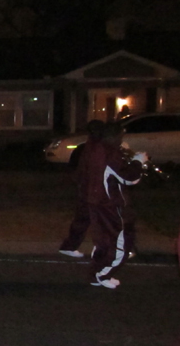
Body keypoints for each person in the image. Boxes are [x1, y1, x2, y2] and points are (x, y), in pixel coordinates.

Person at [84, 121, 146, 288]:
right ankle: (102, 274)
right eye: (120, 136)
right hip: (110, 204)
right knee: (120, 242)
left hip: (96, 201)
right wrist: (138, 162)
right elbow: (130, 178)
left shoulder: (95, 148)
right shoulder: (110, 153)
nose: (121, 139)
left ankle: (96, 274)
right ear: (113, 136)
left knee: (102, 241)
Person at [58, 119, 105, 258]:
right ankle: (73, 246)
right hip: (92, 189)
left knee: (86, 219)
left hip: (89, 188)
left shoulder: (88, 147)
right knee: (96, 219)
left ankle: (71, 246)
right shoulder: (95, 148)